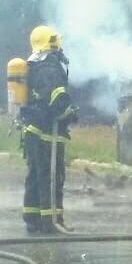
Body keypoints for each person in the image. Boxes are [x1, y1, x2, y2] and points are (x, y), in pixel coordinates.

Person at [19, 26, 78, 234]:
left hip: (33, 130)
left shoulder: (33, 65)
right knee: (52, 177)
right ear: (52, 43)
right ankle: (52, 221)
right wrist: (69, 112)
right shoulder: (51, 67)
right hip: (48, 133)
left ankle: (32, 218)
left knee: (35, 175)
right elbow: (56, 97)